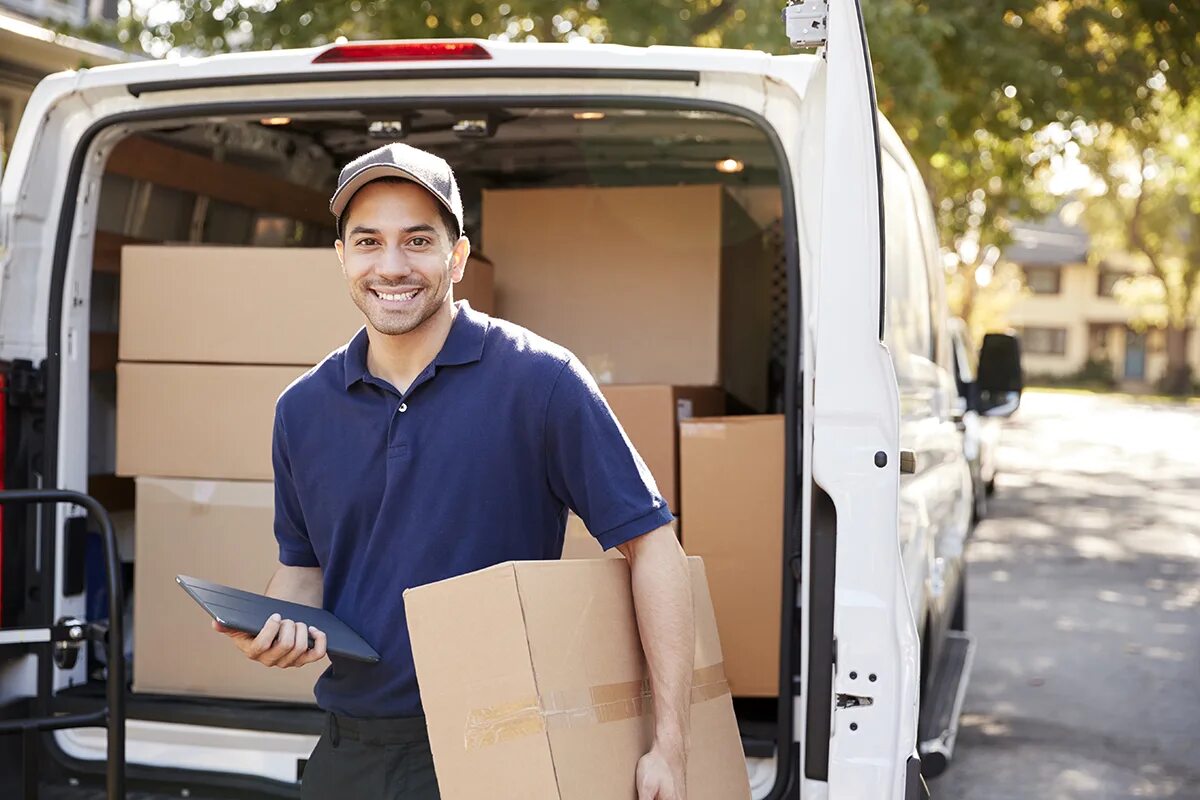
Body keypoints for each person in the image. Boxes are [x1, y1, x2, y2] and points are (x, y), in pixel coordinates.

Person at [213, 143, 695, 800]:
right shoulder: (301, 410)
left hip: (501, 745)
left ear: (458, 257)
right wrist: (276, 629)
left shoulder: (541, 382)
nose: (391, 265)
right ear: (342, 259)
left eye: (417, 241)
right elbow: (304, 569)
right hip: (352, 750)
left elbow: (653, 545)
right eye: (368, 241)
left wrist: (669, 745)